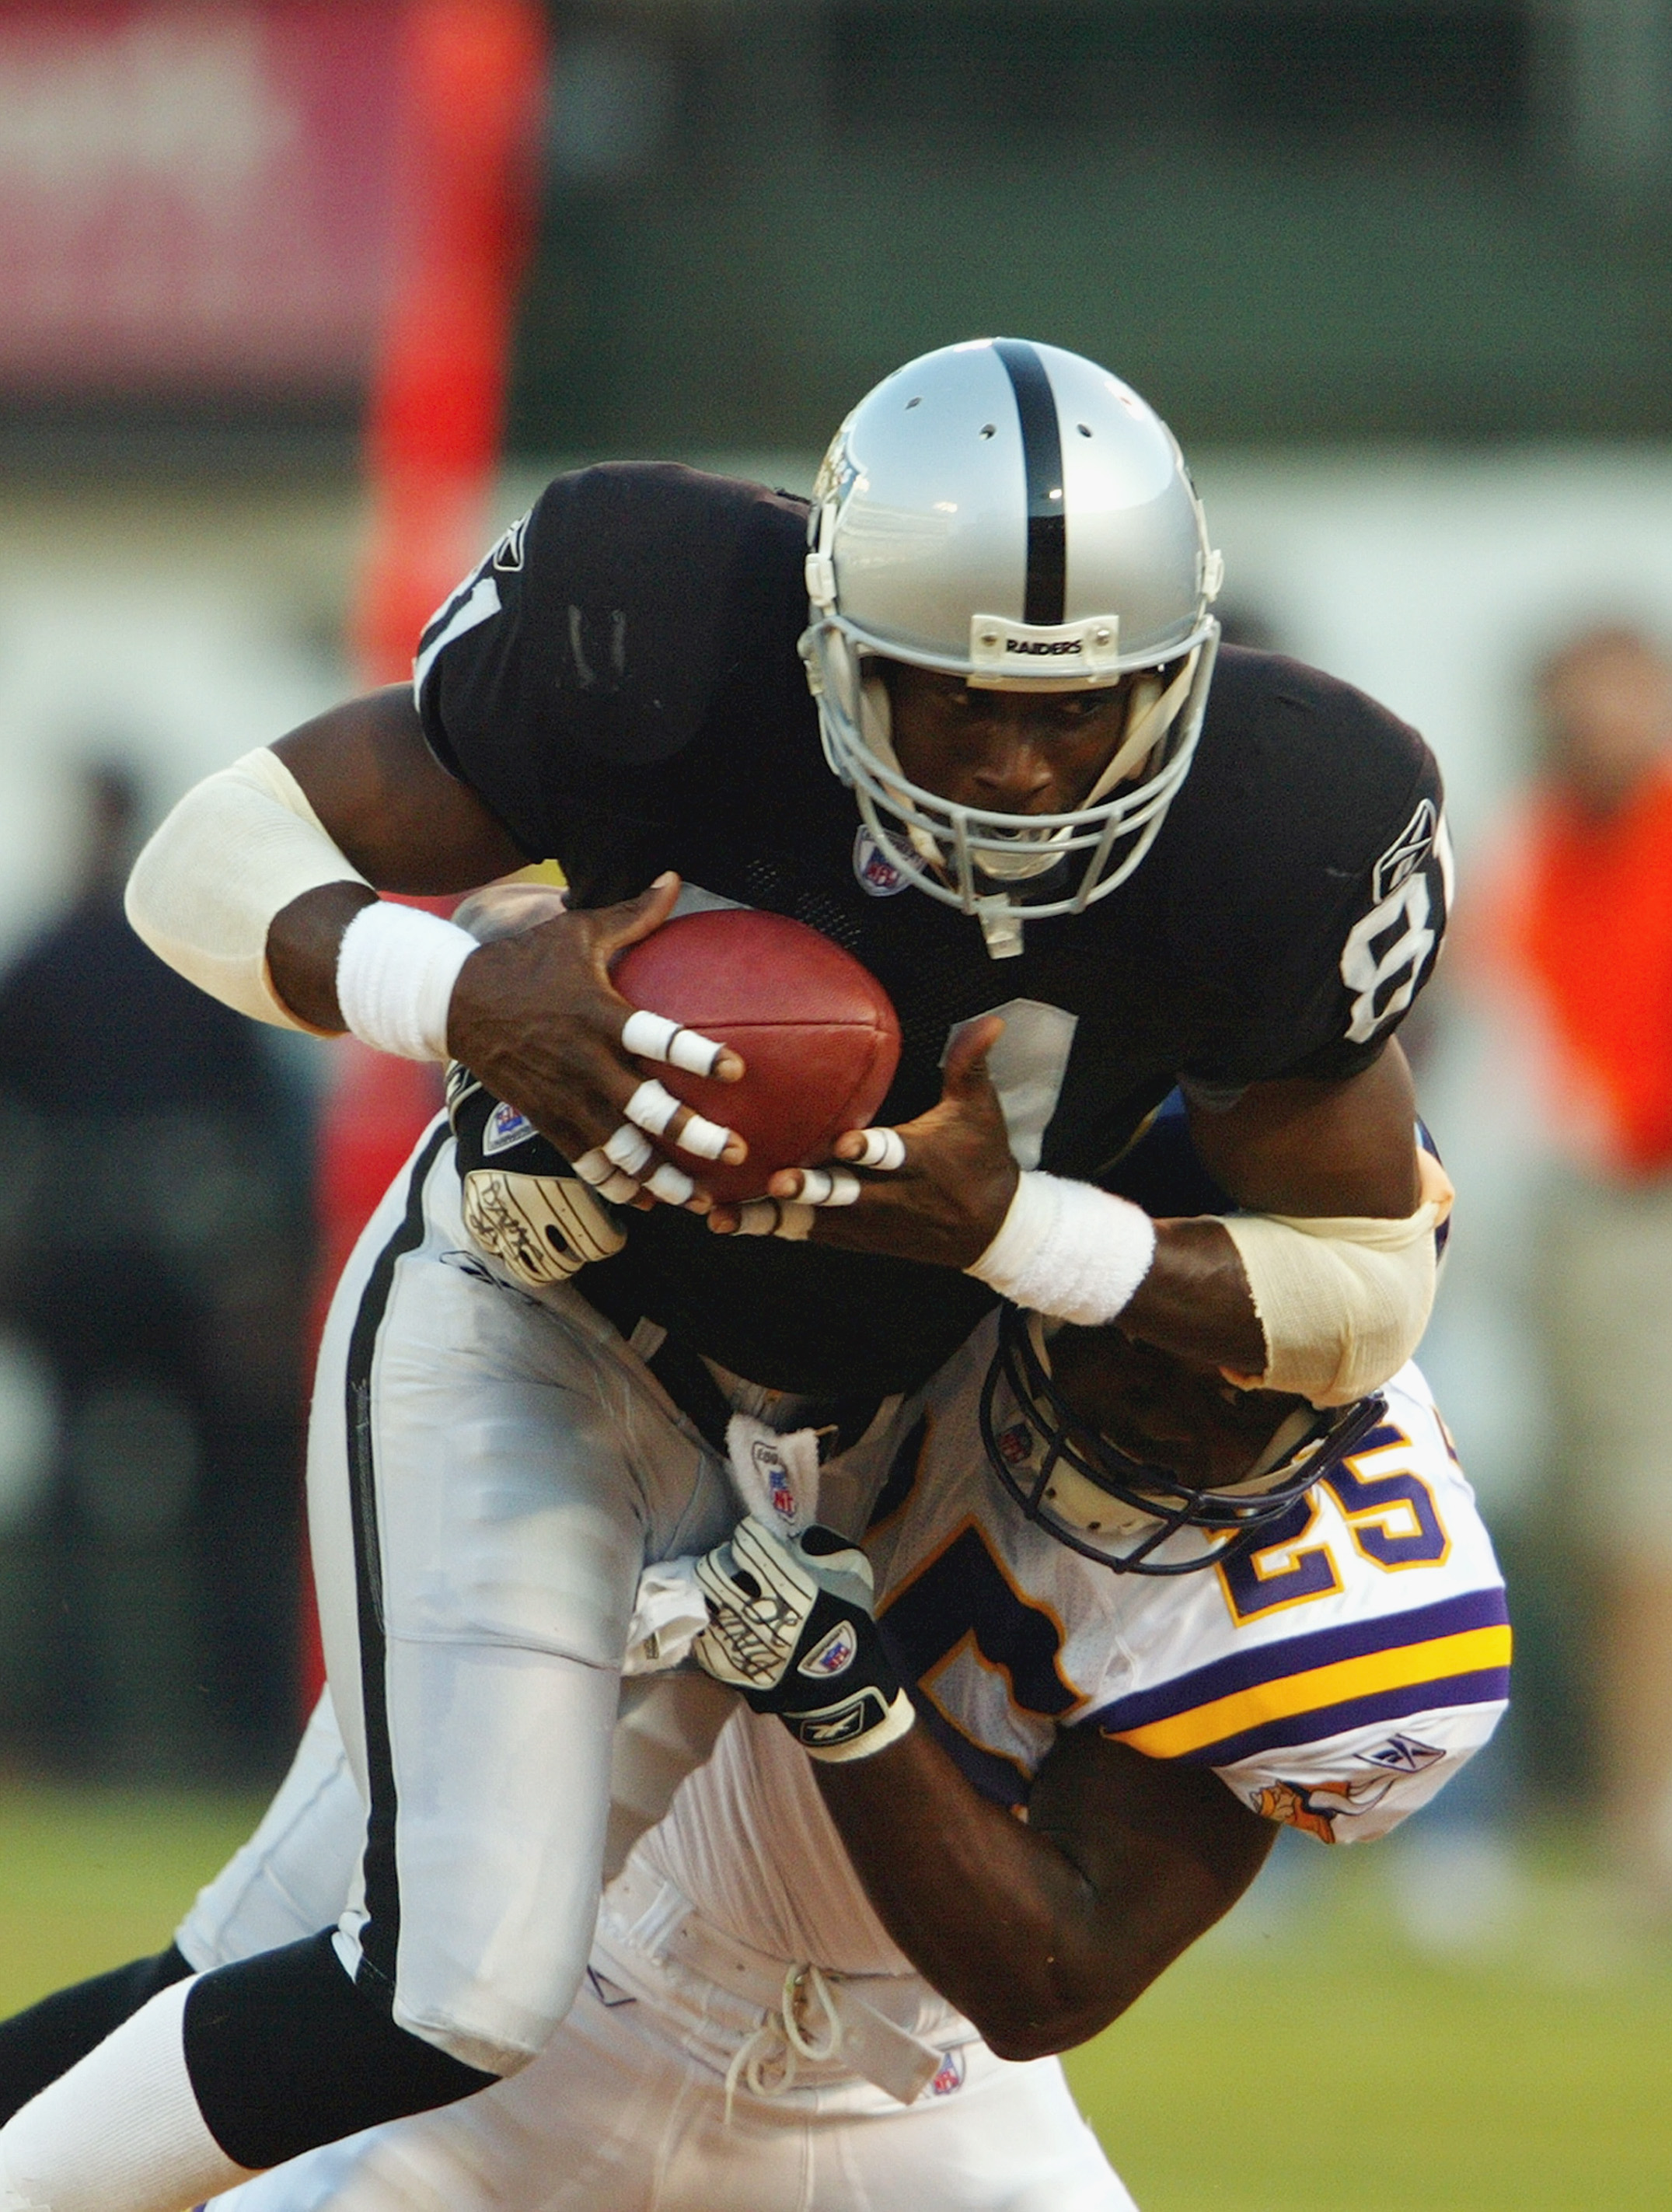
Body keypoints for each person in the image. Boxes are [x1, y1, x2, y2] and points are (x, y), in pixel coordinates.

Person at [0, 340, 1456, 2212]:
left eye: (1074, 711)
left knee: (285, 1965)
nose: (1018, 765)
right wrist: (455, 991)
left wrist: (1003, 1231)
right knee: (454, 1986)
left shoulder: (1289, 823)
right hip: (534, 1318)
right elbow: (208, 859)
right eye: (951, 706)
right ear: (836, 647)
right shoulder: (663, 627)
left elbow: (1361, 1287)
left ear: (1173, 675)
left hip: (827, 1437)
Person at [0, 1107, 1503, 2210]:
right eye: (1148, 1365)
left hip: (913, 2094)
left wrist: (850, 1702)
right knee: (238, 1993)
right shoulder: (897, 1239)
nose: (1179, 1439)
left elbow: (1056, 1973)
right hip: (577, 1966)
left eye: (1252, 1406)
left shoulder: (1354, 1587)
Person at [1474, 624, 1672, 1911]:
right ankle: (1638, 1829)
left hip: (1635, 1193)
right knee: (1624, 1530)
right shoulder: (1544, 848)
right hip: (1605, 1204)